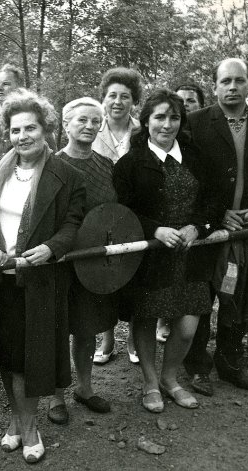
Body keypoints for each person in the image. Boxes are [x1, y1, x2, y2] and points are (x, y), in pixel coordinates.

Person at [0, 89, 85, 464]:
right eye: (16, 129)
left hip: (39, 280)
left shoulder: (66, 174)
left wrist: (52, 247)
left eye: (31, 128)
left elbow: (74, 222)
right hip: (1, 279)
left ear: (46, 128)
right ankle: (16, 419)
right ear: (8, 132)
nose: (23, 136)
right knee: (8, 355)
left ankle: (29, 425)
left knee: (32, 356)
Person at [182, 58, 248, 396]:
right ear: (214, 86)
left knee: (238, 299)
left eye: (239, 81)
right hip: (209, 231)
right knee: (201, 299)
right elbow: (187, 179)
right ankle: (197, 367)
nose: (232, 87)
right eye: (225, 81)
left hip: (245, 234)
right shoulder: (196, 123)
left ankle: (230, 363)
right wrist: (215, 213)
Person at [113, 89, 222, 412]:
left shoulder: (197, 157)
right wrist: (154, 230)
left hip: (191, 255)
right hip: (152, 258)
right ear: (146, 121)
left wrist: (198, 227)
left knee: (187, 327)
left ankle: (169, 378)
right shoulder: (130, 164)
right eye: (160, 117)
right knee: (146, 319)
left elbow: (215, 202)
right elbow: (122, 210)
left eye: (174, 117)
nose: (167, 124)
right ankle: (149, 382)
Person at [48, 98, 118, 424]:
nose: (89, 126)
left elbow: (114, 215)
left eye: (95, 121)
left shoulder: (108, 166)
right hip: (59, 262)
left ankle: (85, 387)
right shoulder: (51, 164)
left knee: (87, 328)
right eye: (82, 120)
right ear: (66, 125)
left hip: (93, 264)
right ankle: (55, 397)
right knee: (58, 328)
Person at [91, 67, 142, 367]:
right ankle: (107, 338)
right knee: (105, 275)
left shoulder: (142, 131)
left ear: (134, 101)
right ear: (104, 99)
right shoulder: (92, 128)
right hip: (102, 213)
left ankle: (134, 339)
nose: (118, 102)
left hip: (135, 213)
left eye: (125, 96)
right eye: (112, 95)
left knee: (136, 274)